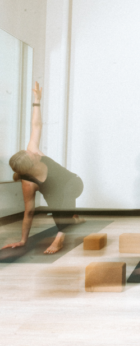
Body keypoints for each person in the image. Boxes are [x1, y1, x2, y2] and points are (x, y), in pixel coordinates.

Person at [2, 82, 83, 254]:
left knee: (67, 193)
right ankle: (73, 219)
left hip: (74, 183)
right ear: (29, 167)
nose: (34, 152)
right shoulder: (28, 184)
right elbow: (29, 212)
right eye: (32, 156)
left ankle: (60, 238)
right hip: (57, 197)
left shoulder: (32, 149)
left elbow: (36, 125)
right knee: (56, 208)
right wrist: (23, 240)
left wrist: (37, 101)